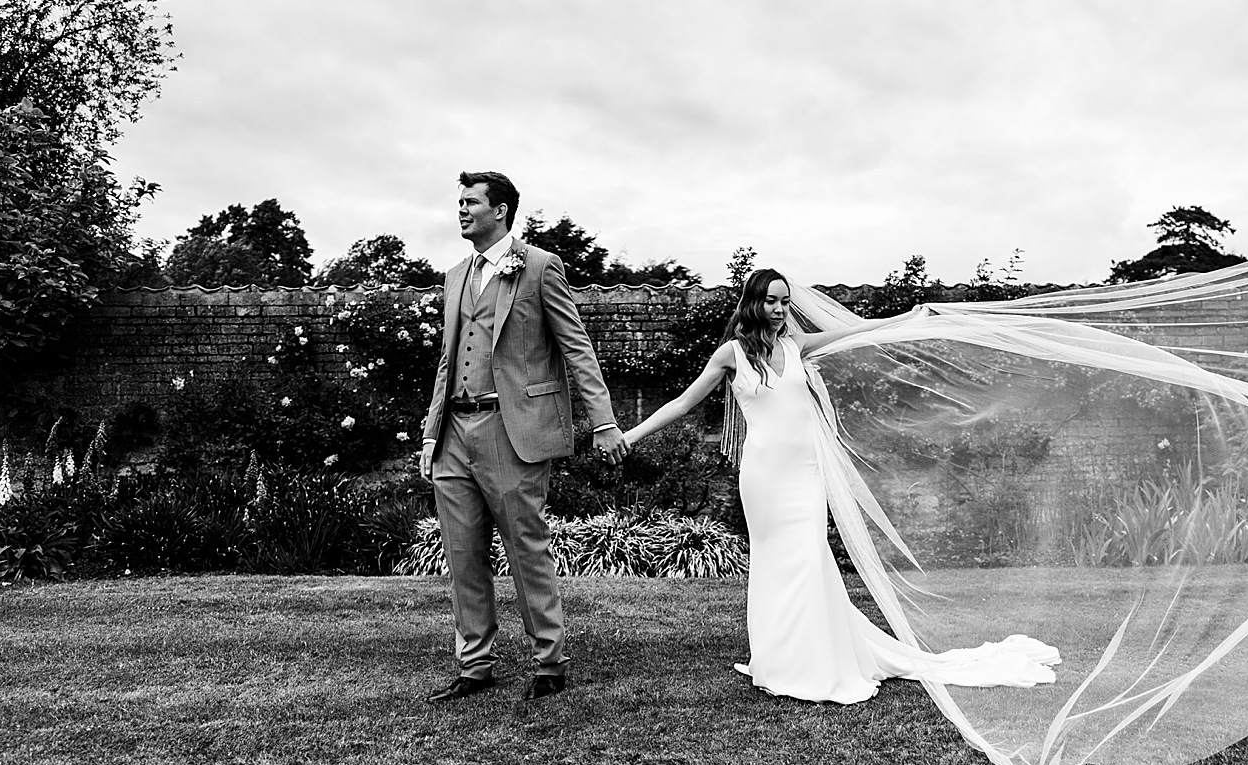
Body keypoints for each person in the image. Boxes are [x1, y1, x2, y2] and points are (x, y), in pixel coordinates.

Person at [621, 267, 1061, 703]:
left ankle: (816, 661)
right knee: (774, 566)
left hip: (805, 474)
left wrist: (908, 317)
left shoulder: (797, 346)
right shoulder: (731, 355)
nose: (778, 309)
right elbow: (682, 402)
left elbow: (856, 332)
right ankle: (777, 660)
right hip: (762, 478)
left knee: (811, 561)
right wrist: (630, 436)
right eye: (770, 301)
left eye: (784, 301)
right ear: (753, 303)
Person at [418, 171, 627, 702]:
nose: (461, 211)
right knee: (462, 552)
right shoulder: (453, 276)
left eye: (471, 203)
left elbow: (576, 349)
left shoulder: (538, 267)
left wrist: (603, 421)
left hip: (513, 430)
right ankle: (475, 664)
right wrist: (429, 435)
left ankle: (549, 662)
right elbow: (447, 361)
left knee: (525, 547)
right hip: (454, 433)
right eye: (459, 202)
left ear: (502, 211)